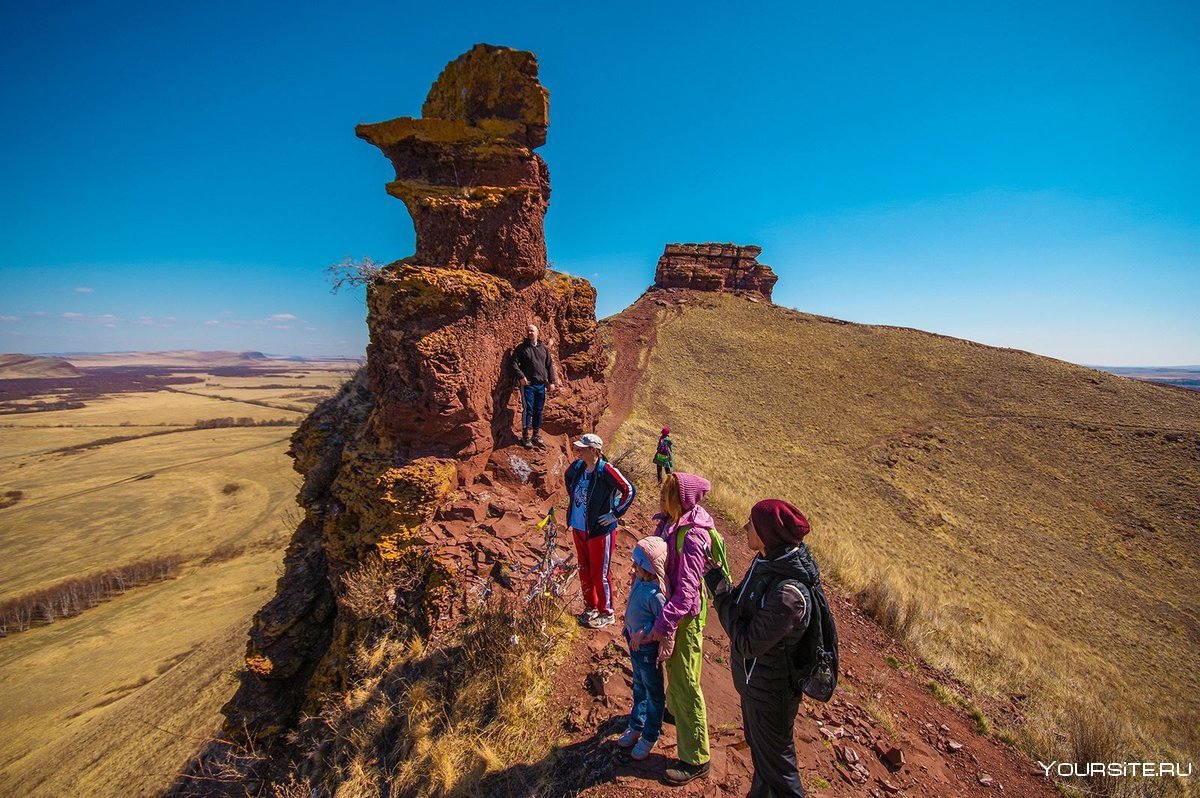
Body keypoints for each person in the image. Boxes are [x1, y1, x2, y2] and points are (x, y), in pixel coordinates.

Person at [702, 499, 815, 798]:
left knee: (780, 771)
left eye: (751, 523)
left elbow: (748, 642)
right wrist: (720, 582)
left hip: (771, 693)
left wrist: (719, 591)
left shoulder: (789, 595)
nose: (745, 528)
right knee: (763, 759)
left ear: (766, 533)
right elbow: (741, 604)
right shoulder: (766, 563)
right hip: (755, 686)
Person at [644, 472, 713, 785]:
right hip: (677, 611)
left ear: (682, 499)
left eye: (667, 494)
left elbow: (687, 592)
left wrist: (663, 622)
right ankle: (673, 712)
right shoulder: (673, 522)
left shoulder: (694, 535)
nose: (662, 498)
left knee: (686, 680)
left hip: (684, 615)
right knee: (678, 667)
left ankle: (696, 758)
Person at [563, 433, 636, 628]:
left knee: (599, 572)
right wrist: (576, 503)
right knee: (584, 569)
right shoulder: (578, 467)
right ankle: (591, 607)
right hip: (579, 527)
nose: (579, 451)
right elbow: (567, 477)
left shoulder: (606, 470)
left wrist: (615, 513)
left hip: (599, 531)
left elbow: (629, 489)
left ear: (594, 450)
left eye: (583, 448)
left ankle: (607, 612)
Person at [617, 536, 673, 761]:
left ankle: (650, 734)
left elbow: (662, 621)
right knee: (638, 686)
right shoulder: (640, 582)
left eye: (637, 565)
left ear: (649, 568)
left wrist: (645, 631)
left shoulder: (656, 594)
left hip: (647, 650)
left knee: (653, 693)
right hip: (635, 646)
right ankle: (636, 724)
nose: (633, 568)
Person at [512, 323, 557, 449]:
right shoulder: (521, 348)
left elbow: (549, 365)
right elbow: (514, 363)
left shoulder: (543, 348)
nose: (530, 333)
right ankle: (526, 436)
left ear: (537, 333)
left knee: (538, 410)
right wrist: (521, 376)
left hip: (541, 385)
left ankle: (535, 435)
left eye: (532, 331)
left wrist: (551, 381)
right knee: (528, 410)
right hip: (528, 385)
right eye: (528, 331)